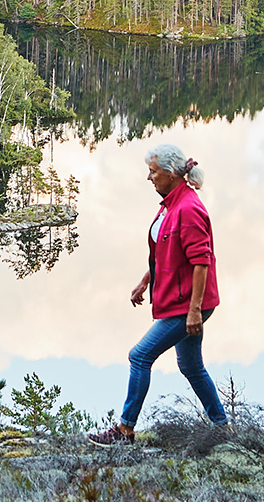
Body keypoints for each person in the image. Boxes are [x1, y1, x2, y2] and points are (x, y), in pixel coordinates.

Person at [91, 139, 227, 441]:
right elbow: (167, 251)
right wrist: (146, 279)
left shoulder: (188, 209)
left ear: (171, 173)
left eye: (153, 172)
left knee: (139, 356)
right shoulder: (172, 204)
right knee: (191, 365)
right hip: (180, 300)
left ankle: (125, 429)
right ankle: (222, 427)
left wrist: (194, 312)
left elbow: (201, 261)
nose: (149, 178)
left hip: (188, 304)